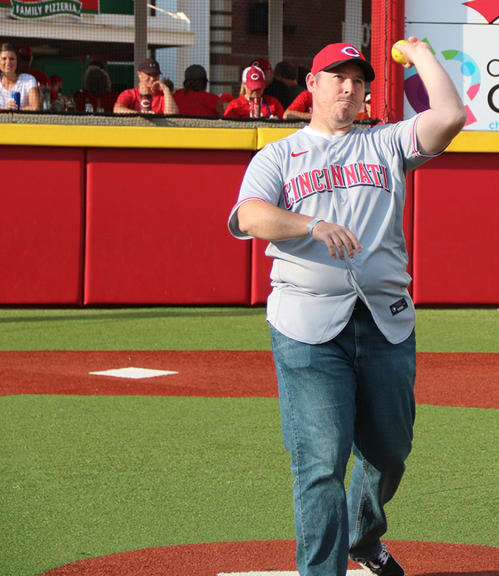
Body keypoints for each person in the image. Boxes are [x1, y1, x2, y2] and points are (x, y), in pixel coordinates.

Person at [227, 39, 465, 575]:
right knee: (320, 464)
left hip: (385, 322)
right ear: (311, 86)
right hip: (307, 324)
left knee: (388, 454)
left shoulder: (386, 143)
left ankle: (363, 537)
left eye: (358, 80)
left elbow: (450, 115)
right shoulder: (280, 154)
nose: (349, 87)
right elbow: (249, 217)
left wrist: (421, 53)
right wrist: (309, 225)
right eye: (337, 76)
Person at [113, 58, 179, 115]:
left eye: (155, 75)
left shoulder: (164, 96)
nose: (152, 78)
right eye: (149, 74)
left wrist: (166, 89)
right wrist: (140, 114)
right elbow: (117, 109)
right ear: (139, 74)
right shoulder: (129, 93)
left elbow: (172, 116)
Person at [0, 43, 41, 111]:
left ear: (17, 61)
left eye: (12, 59)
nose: (8, 62)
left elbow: (35, 107)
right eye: (4, 59)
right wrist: (5, 110)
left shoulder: (28, 80)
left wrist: (16, 110)